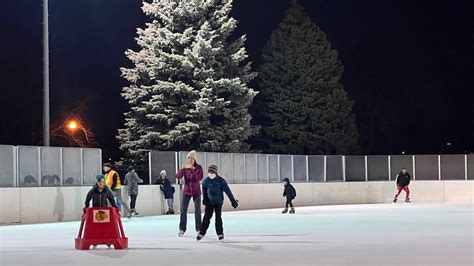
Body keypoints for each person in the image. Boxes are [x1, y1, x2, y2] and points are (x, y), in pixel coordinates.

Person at [197, 165, 238, 241]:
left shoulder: (221, 181)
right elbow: (204, 191)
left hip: (218, 202)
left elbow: (228, 191)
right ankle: (202, 232)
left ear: (215, 172)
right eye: (209, 172)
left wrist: (233, 200)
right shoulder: (206, 181)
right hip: (209, 202)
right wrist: (205, 199)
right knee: (207, 217)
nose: (210, 174)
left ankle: (220, 233)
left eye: (212, 172)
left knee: (218, 217)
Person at [176, 150, 204, 237]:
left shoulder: (198, 167)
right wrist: (182, 169)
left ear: (194, 159)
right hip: (187, 191)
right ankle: (182, 229)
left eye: (192, 158)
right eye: (188, 158)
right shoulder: (185, 168)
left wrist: (194, 170)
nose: (190, 160)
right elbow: (178, 176)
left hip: (196, 191)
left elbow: (199, 178)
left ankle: (199, 229)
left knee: (197, 210)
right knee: (183, 210)